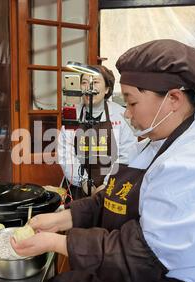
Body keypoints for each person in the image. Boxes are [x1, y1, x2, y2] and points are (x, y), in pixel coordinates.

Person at [11, 39, 195, 282]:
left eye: (132, 102)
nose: (127, 114)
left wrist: (56, 242)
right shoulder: (156, 143)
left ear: (173, 99)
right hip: (143, 270)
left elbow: (143, 255)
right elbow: (115, 197)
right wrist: (60, 219)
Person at [58, 65, 136, 200]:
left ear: (107, 89)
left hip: (112, 186)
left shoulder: (120, 115)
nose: (89, 87)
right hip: (77, 188)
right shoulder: (71, 114)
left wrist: (106, 184)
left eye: (95, 82)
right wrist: (82, 180)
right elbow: (66, 154)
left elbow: (127, 153)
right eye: (84, 82)